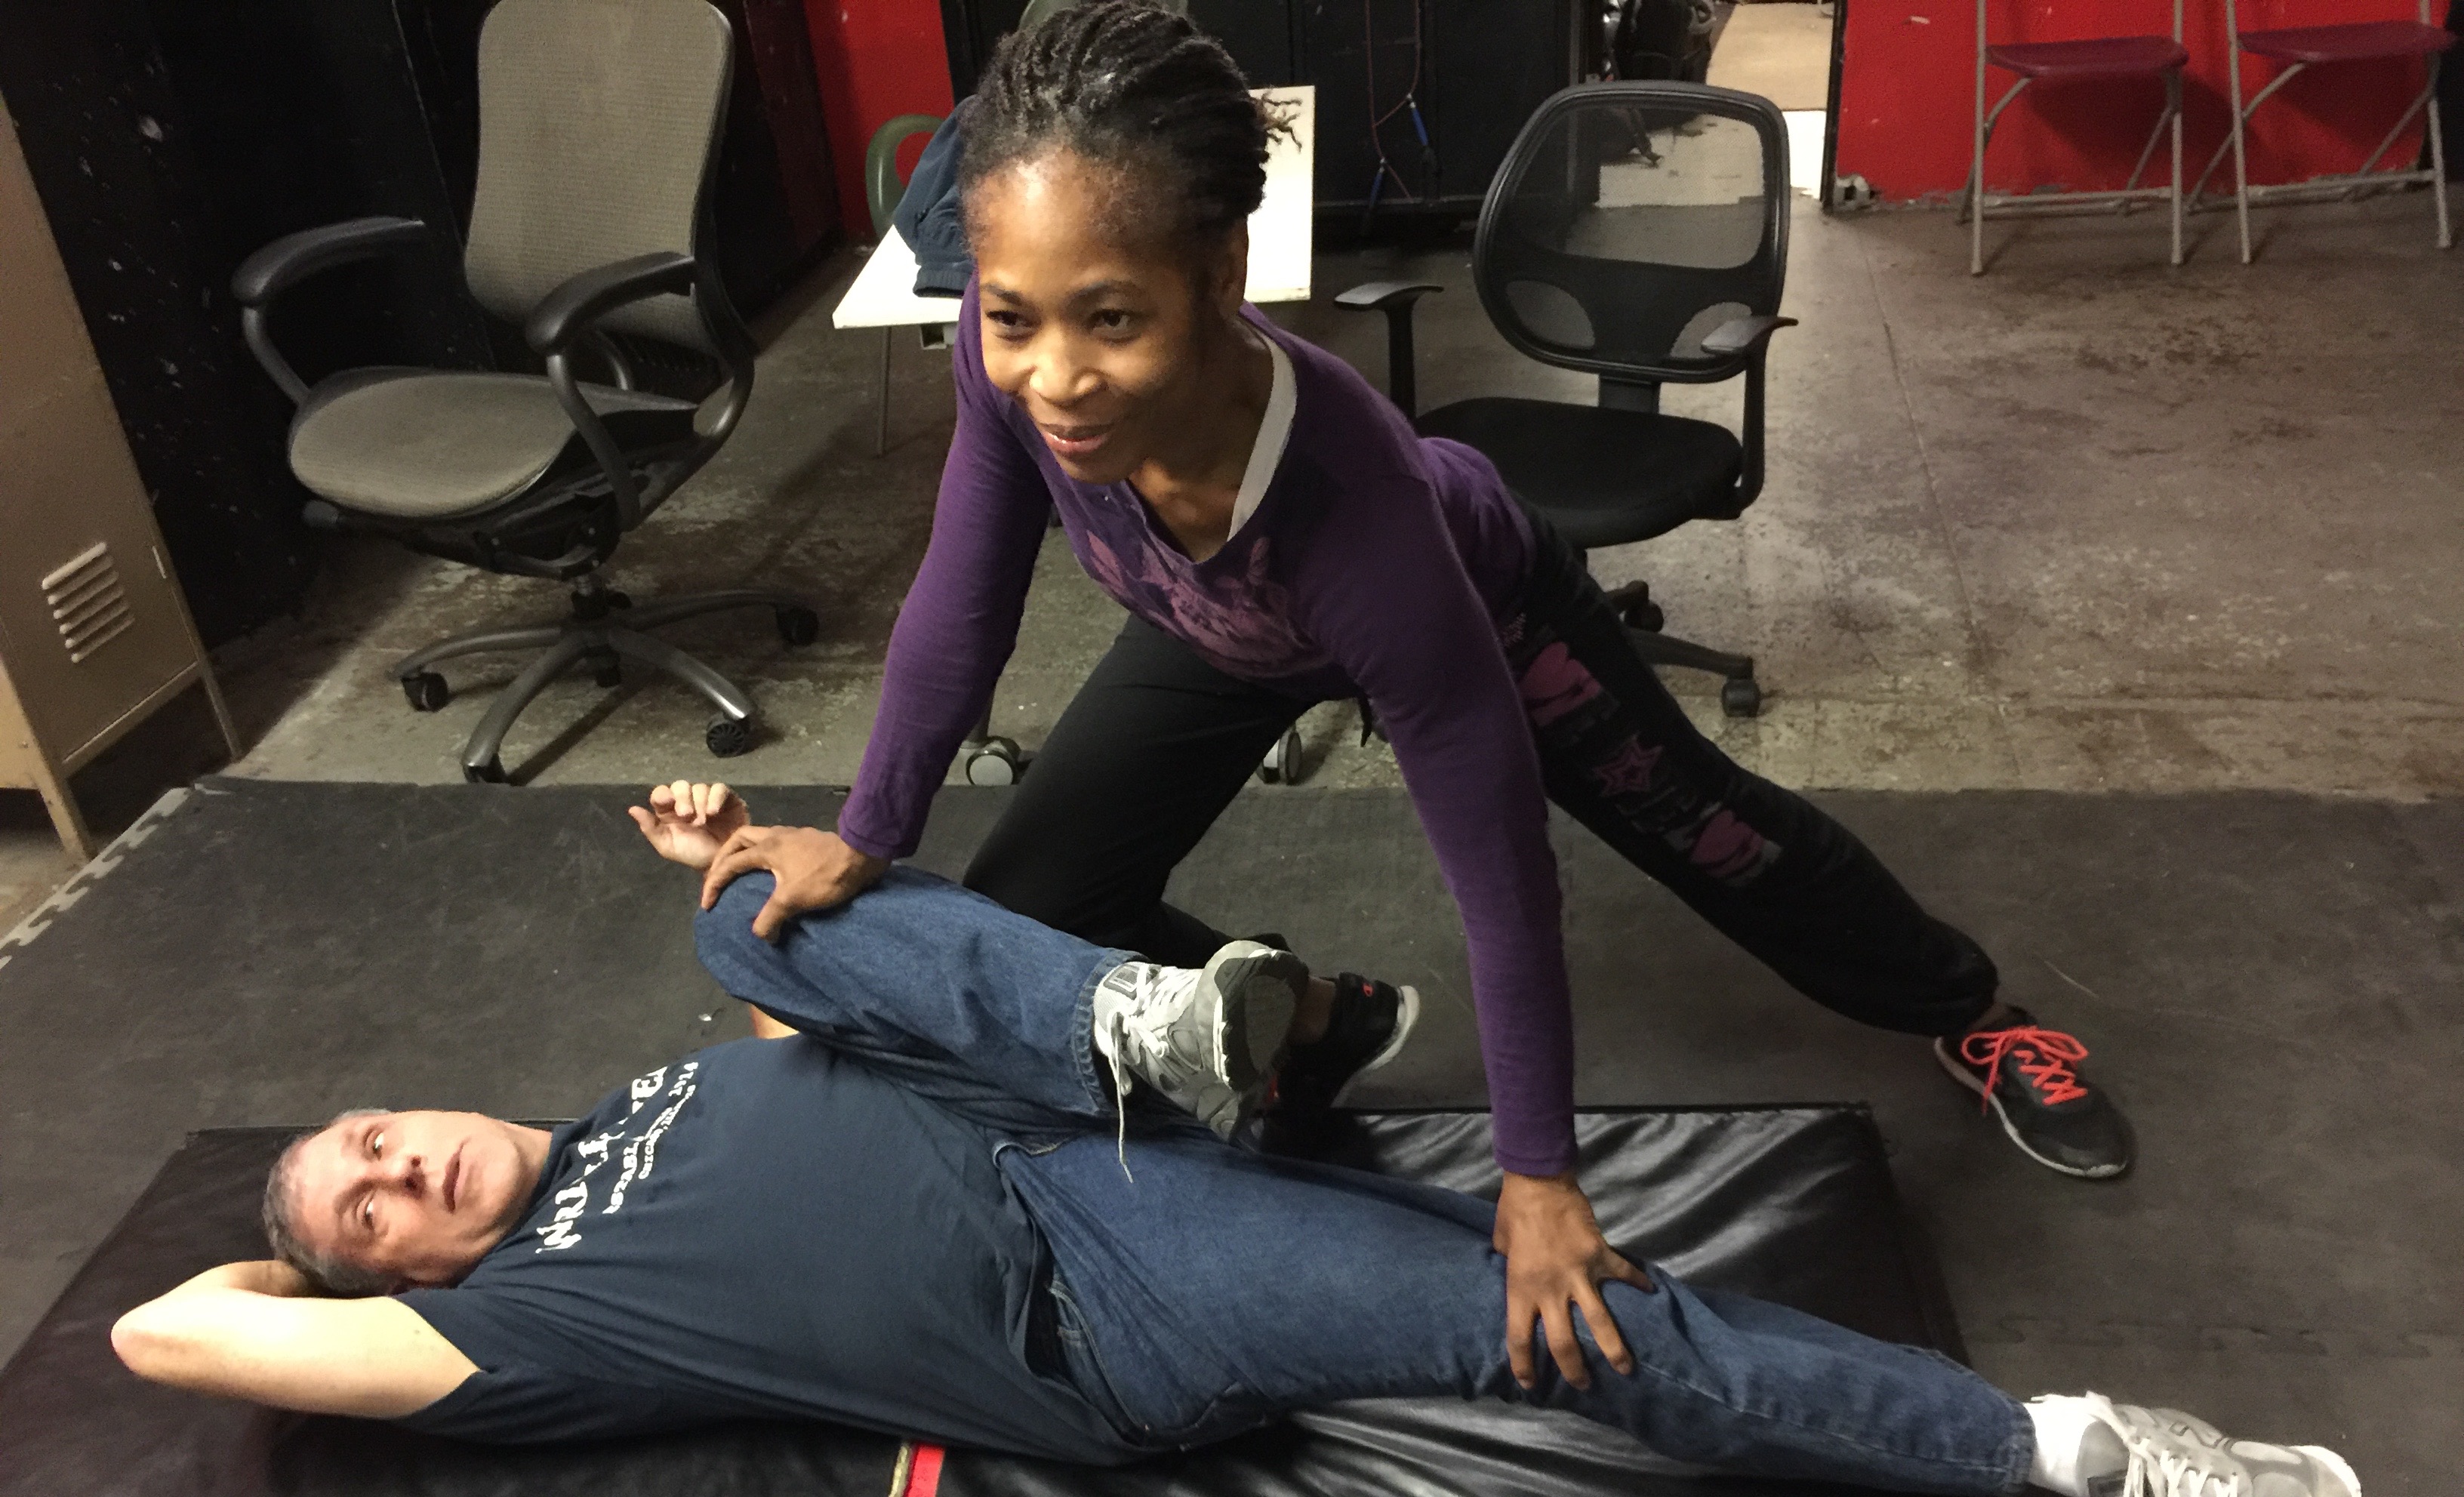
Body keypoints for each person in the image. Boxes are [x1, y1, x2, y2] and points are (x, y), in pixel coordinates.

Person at [693, 0, 2134, 1402]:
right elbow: (962, 598)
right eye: (1018, 317)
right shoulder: (1009, 369)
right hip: (1221, 628)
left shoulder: (1359, 513)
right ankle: (1307, 1024)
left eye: (1113, 319)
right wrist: (866, 832)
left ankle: (1973, 1009)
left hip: (1477, 612)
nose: (1057, 378)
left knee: (1721, 837)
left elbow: (1501, 876)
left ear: (1222, 269)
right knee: (1039, 906)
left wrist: (1537, 1174)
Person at [110, 784, 2358, 1497]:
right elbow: (166, 1333)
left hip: (1073, 1101)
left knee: (768, 918)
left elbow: (870, 987)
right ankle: (2084, 1451)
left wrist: (730, 871)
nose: (394, 1168)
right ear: (387, 1278)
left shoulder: (646, 1095)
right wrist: (287, 1248)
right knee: (1560, 1318)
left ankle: (1166, 1026)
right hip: (1096, 1292)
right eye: (365, 1209)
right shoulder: (512, 1328)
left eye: (374, 1134)